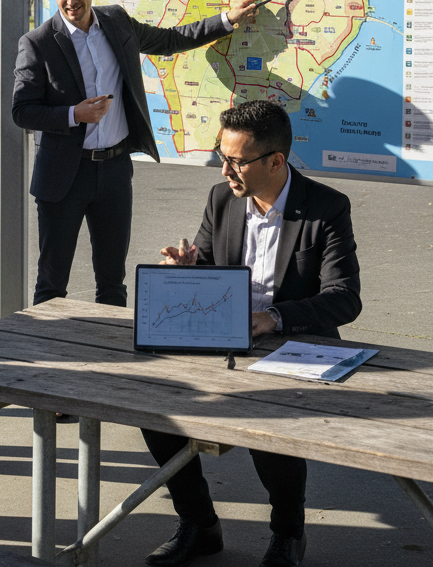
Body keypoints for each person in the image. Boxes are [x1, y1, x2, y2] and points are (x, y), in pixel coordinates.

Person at [140, 100, 362, 567]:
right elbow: (205, 258)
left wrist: (274, 317)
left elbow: (344, 297)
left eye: (235, 160)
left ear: (276, 161)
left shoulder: (326, 208)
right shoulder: (223, 199)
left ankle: (288, 534)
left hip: (296, 344)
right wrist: (188, 267)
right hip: (223, 334)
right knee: (156, 410)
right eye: (222, 156)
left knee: (267, 425)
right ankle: (199, 525)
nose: (224, 170)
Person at [12, 0, 260, 309]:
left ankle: (113, 358)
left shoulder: (116, 22)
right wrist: (72, 114)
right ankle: (47, 358)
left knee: (113, 281)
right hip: (64, 174)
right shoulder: (37, 43)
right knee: (52, 283)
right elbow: (22, 111)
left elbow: (171, 39)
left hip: (114, 171)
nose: (71, 0)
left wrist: (226, 20)